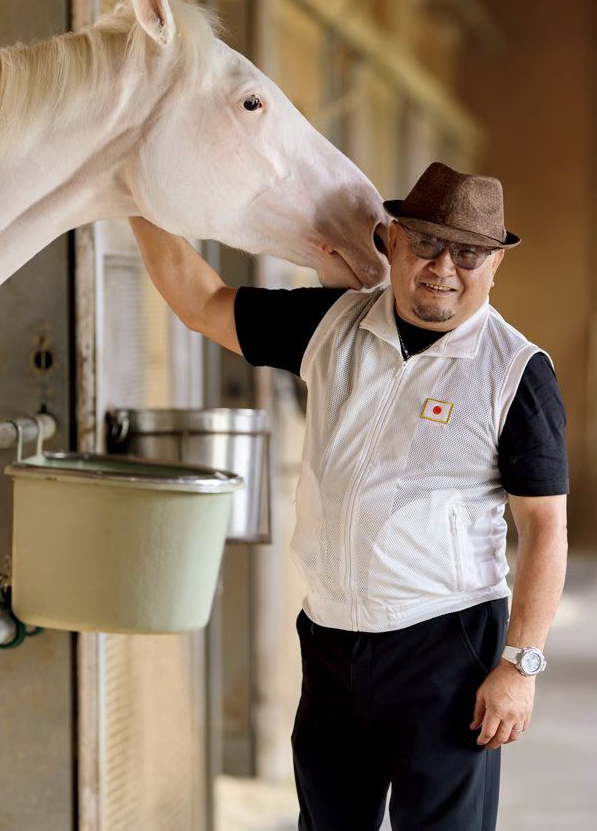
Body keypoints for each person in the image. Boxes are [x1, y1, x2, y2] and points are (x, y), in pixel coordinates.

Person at [130, 161, 568, 830]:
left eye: (468, 253)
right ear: (393, 241)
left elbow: (545, 528)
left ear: (495, 264)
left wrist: (520, 665)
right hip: (332, 641)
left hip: (446, 644)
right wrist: (133, 195)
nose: (444, 267)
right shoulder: (332, 323)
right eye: (427, 242)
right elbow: (202, 303)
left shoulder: (516, 372)